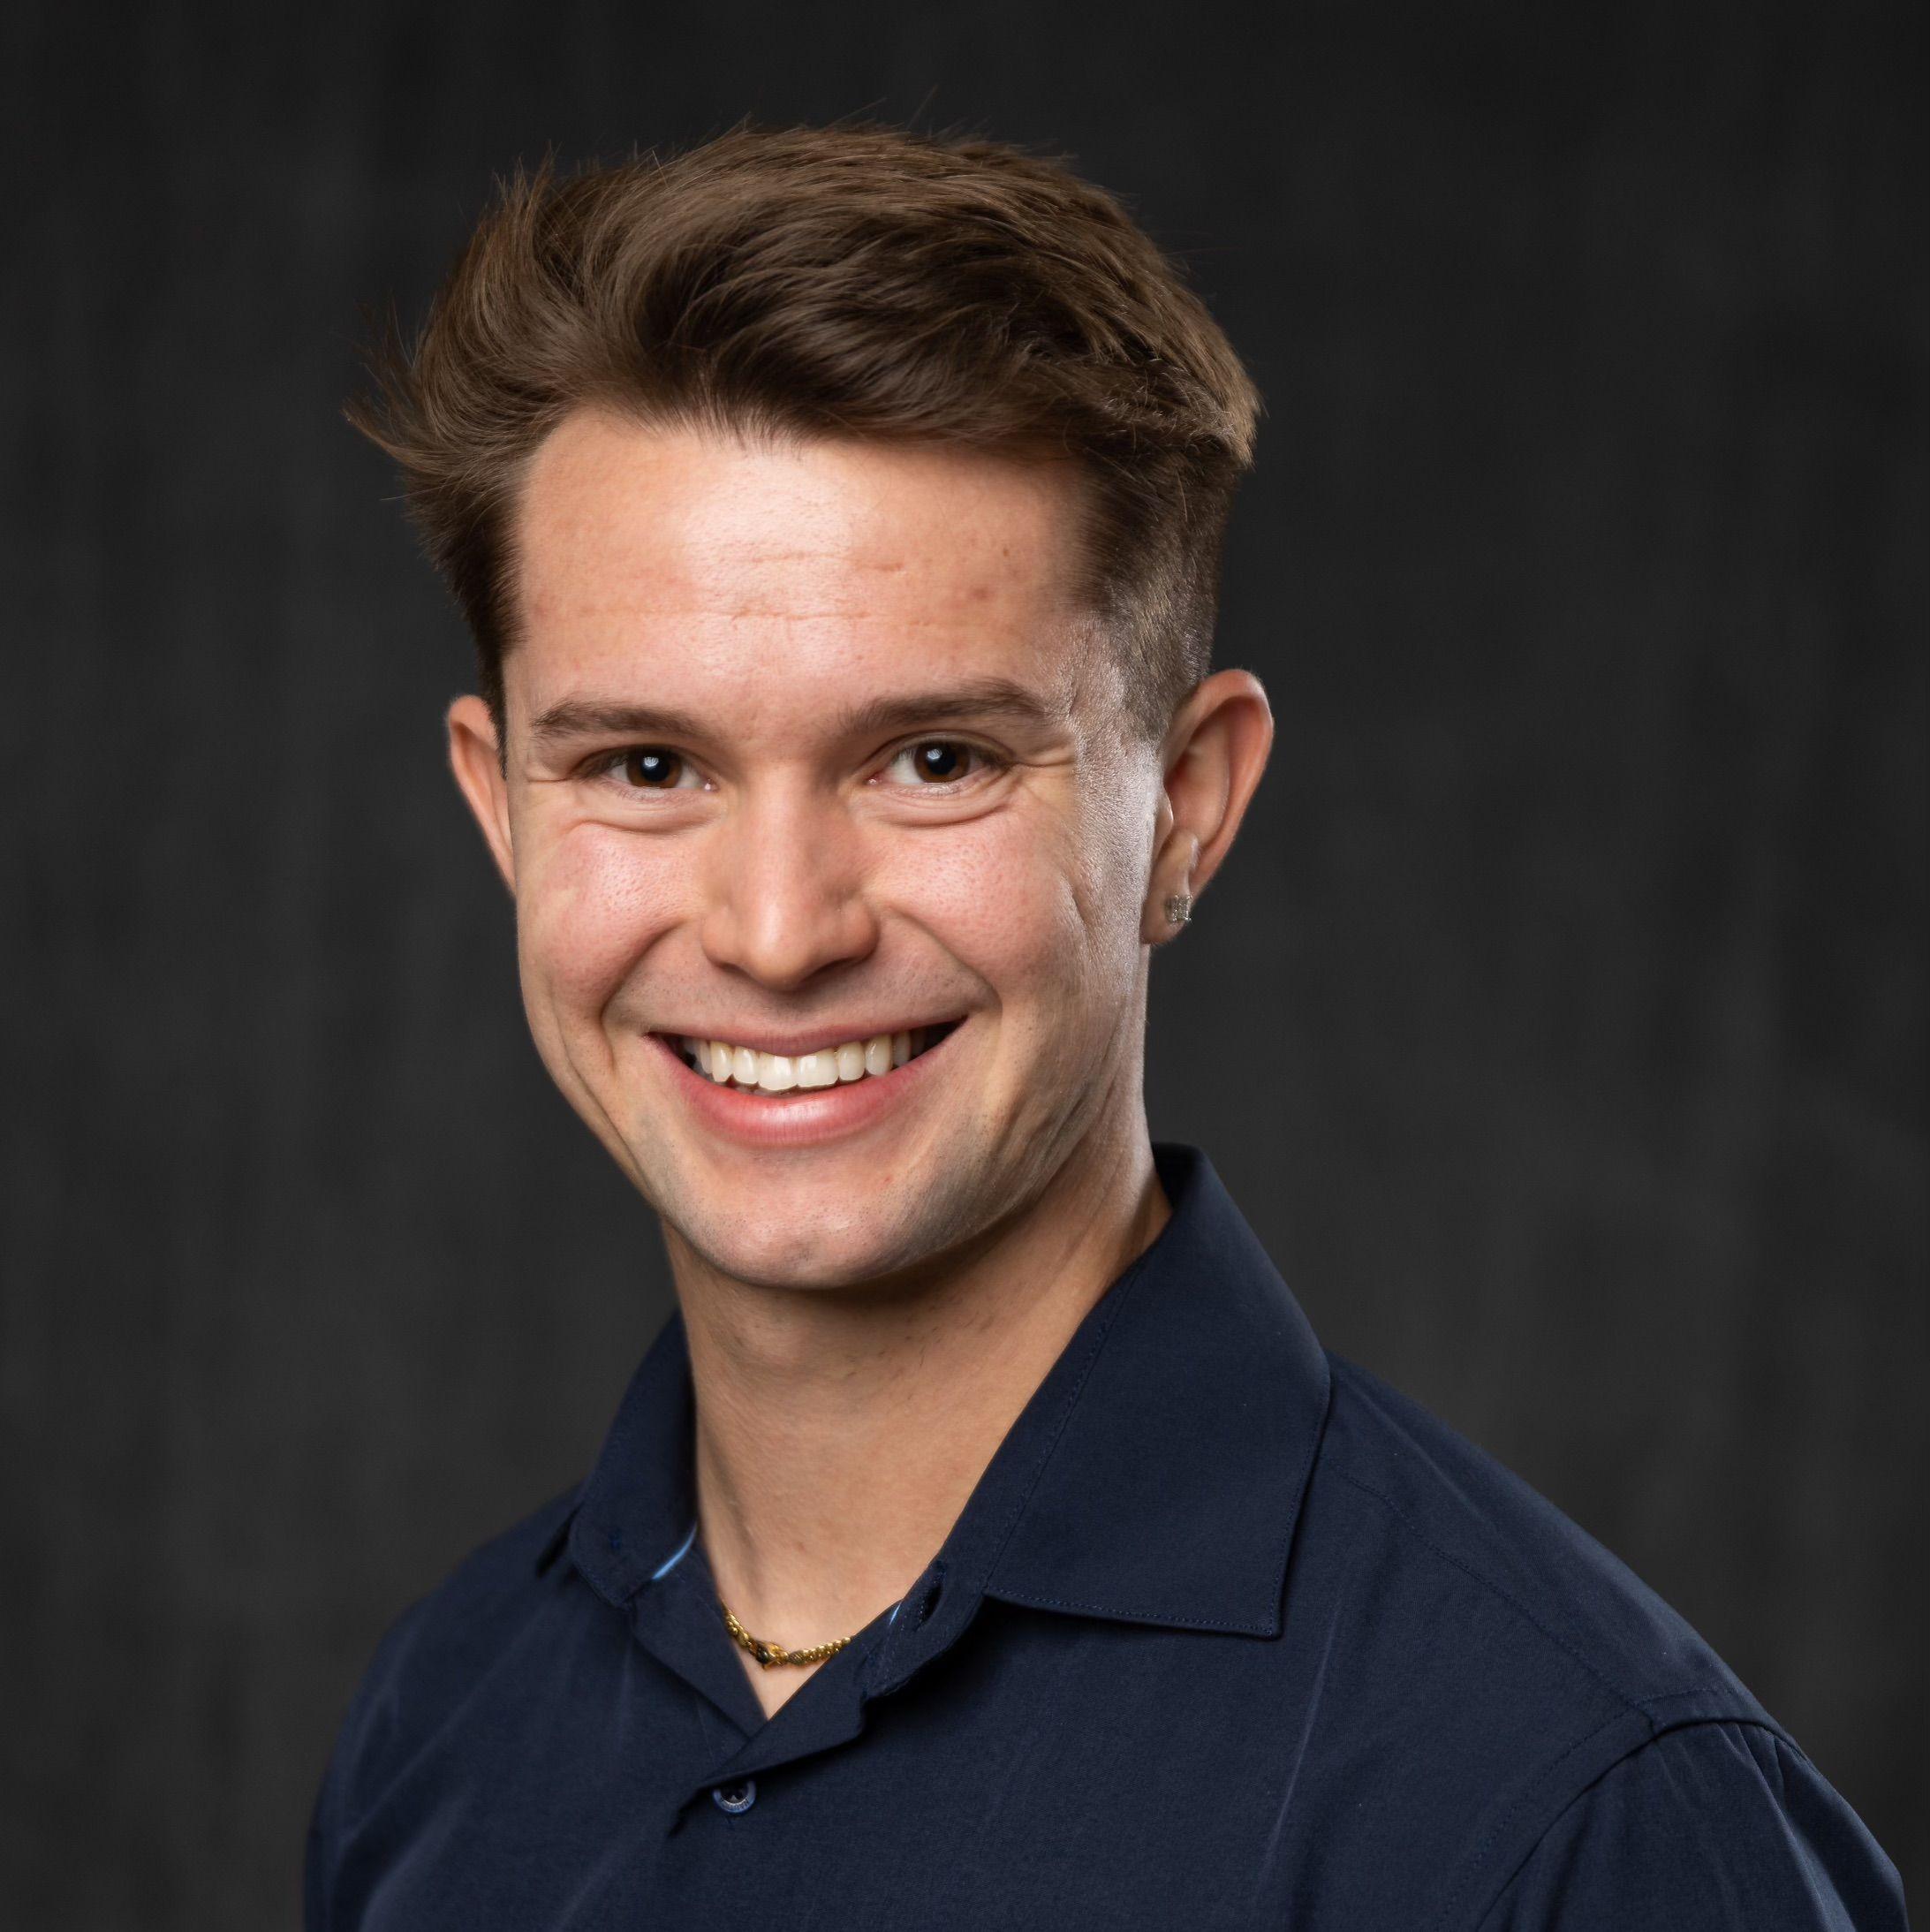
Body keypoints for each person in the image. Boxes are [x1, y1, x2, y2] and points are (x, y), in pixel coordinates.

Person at [305, 123, 1905, 1930]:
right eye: (646, 765)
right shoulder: (442, 1731)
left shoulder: (1572, 1812)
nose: (777, 931)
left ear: (1188, 808)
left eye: (935, 758)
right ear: (501, 810)